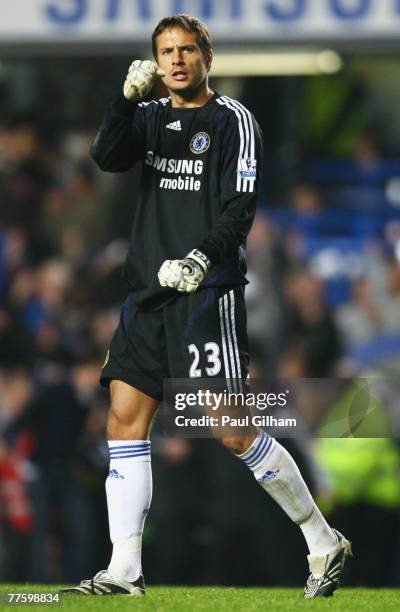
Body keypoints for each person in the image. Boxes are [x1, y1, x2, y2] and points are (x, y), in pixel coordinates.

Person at [61, 14, 351, 599]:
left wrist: (198, 259)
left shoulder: (233, 122)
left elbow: (239, 209)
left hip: (205, 295)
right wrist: (122, 102)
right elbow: (106, 158)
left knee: (232, 430)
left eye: (186, 50)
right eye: (165, 51)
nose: (175, 60)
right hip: (146, 293)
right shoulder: (146, 117)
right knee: (124, 417)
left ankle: (322, 539)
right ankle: (125, 569)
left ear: (206, 58)